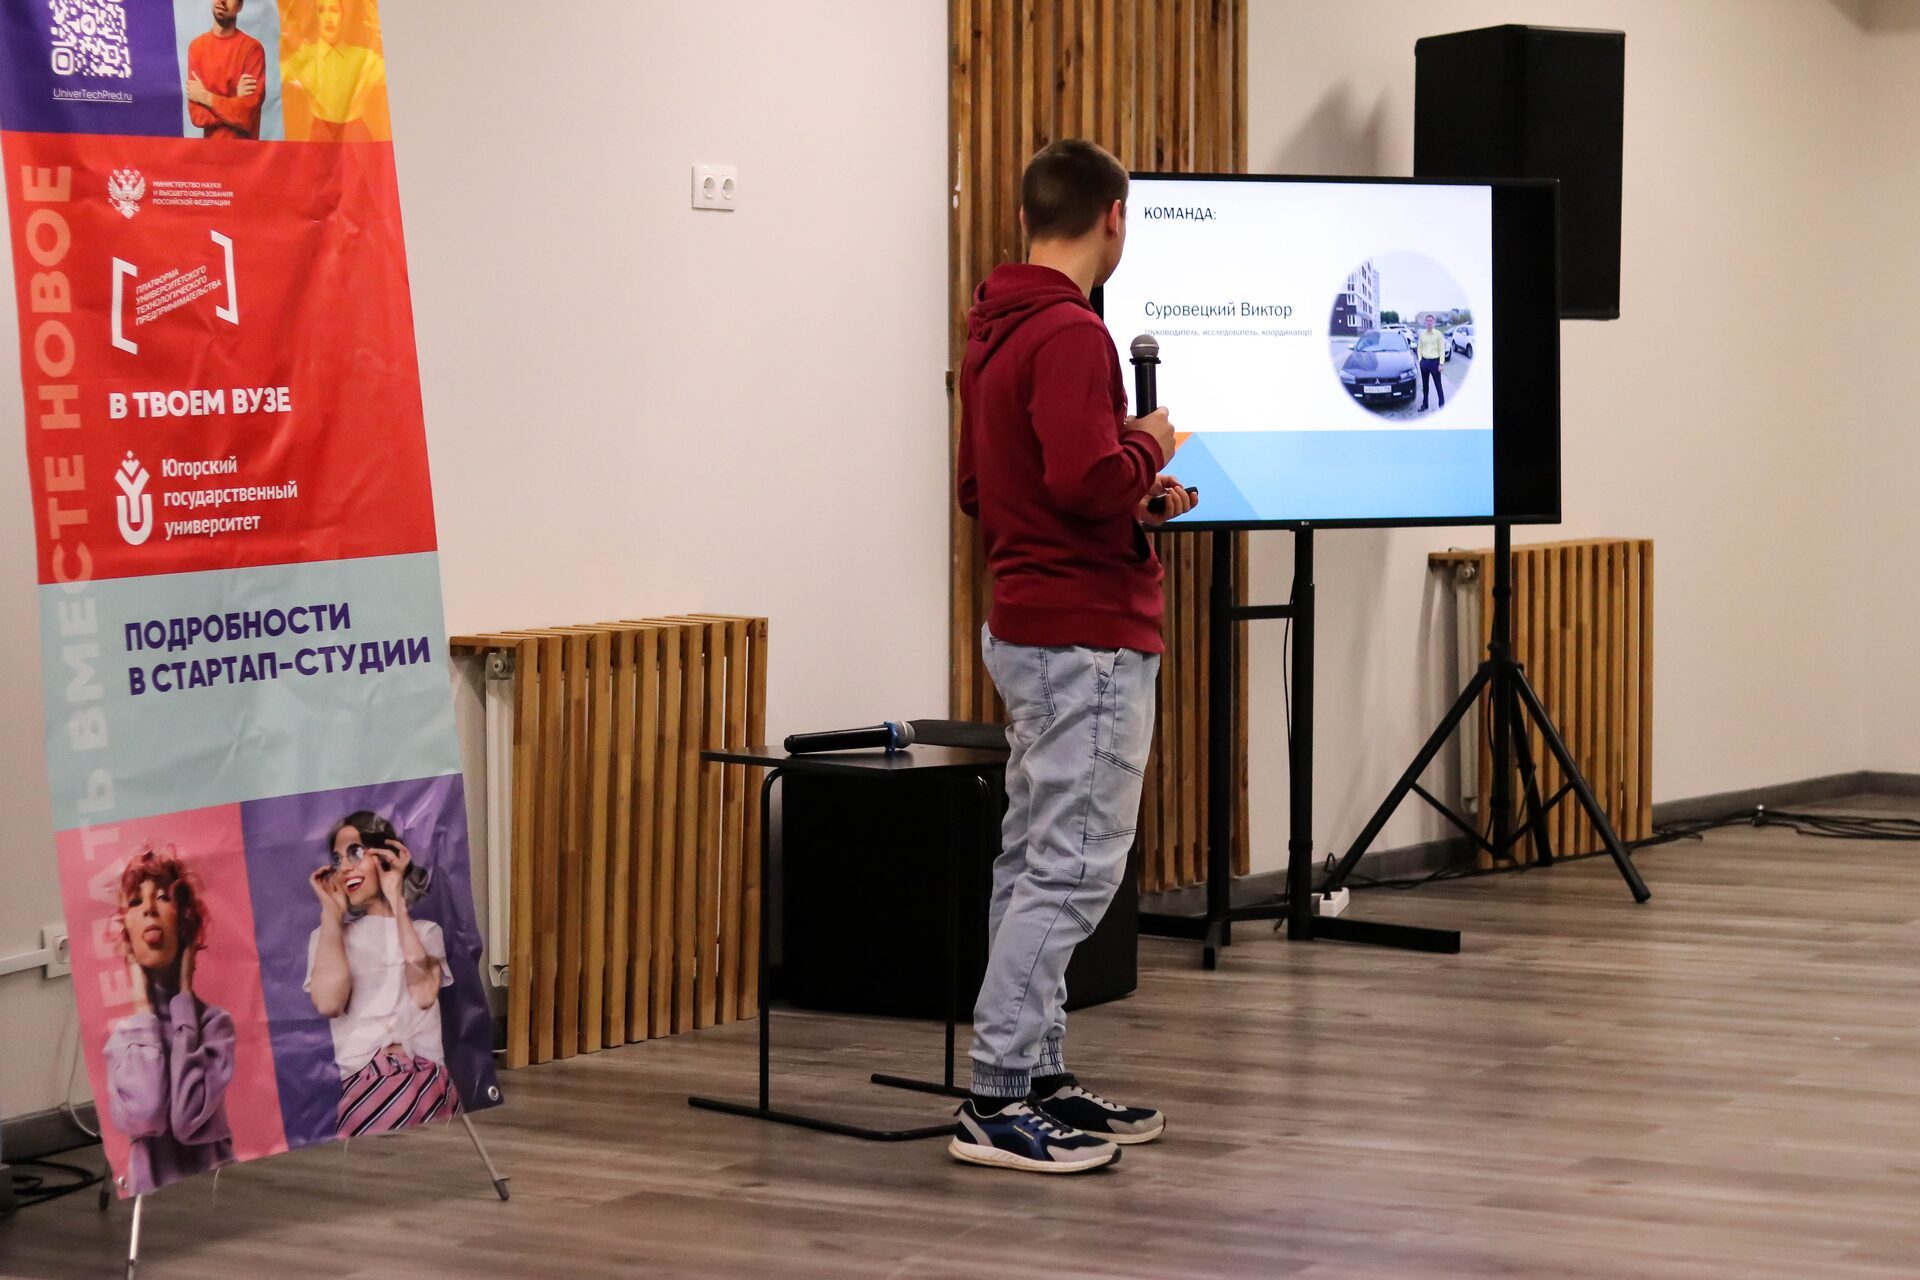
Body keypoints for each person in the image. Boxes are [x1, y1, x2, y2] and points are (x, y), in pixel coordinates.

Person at [951, 138, 1195, 1175]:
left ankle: (1038, 1071)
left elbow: (986, 489)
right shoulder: (1070, 331)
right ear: (1114, 217)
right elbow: (1088, 477)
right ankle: (997, 1094)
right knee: (1075, 866)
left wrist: (1128, 496)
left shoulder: (994, 330)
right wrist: (1149, 447)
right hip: (1085, 634)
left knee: (1033, 860)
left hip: (1030, 622)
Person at [305, 810, 462, 1135]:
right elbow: (329, 1003)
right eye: (337, 859)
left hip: (427, 1080)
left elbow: (423, 994)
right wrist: (331, 916)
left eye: (356, 852)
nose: (344, 867)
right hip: (365, 1090)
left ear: (385, 855)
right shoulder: (325, 938)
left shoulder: (425, 932)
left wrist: (396, 900)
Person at [103, 847, 236, 1195]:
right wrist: (142, 1005)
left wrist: (184, 997)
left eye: (163, 897)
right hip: (155, 1206)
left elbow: (187, 1118)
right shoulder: (123, 1037)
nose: (149, 908)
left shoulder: (214, 1025)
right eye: (136, 902)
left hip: (216, 1199)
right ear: (126, 932)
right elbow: (147, 1112)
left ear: (185, 922)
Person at [281, 0, 387, 141]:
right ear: (315, 17)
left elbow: (397, 77)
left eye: (334, 10)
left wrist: (381, 30)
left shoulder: (363, 57)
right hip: (319, 139)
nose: (328, 19)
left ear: (344, 16)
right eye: (321, 10)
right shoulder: (304, 56)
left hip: (356, 140)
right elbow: (271, 77)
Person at [184, 0, 266, 140]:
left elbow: (247, 114)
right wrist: (236, 101)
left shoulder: (252, 50)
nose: (222, 1)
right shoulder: (197, 47)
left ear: (240, 5)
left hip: (245, 151)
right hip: (210, 151)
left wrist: (205, 97)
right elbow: (197, 116)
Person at [1417, 314, 1449, 412]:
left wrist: (1441, 363)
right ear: (1425, 322)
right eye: (1427, 321)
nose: (1429, 322)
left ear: (1433, 322)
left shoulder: (1438, 334)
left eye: (1431, 320)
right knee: (1425, 385)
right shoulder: (1422, 334)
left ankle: (1442, 405)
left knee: (1438, 385)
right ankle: (1425, 404)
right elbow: (1419, 348)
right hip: (1424, 363)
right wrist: (1420, 360)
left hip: (1435, 363)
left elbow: (1441, 350)